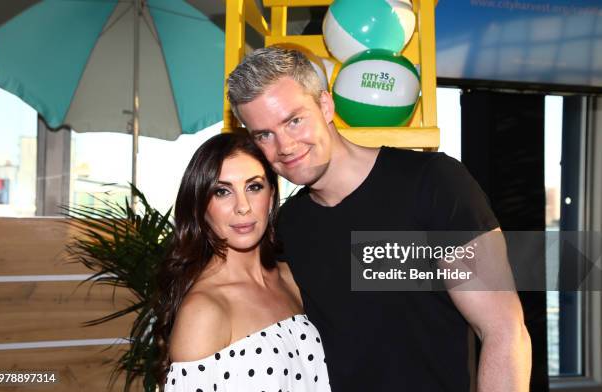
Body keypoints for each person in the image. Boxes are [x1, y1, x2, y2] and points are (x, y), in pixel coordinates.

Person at [227, 46, 532, 391]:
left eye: (294, 120)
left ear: (325, 106)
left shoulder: (433, 183)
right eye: (263, 134)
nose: (284, 146)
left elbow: (504, 331)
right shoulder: (288, 225)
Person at [153, 133, 332, 392]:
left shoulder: (290, 277)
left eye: (254, 186)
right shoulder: (204, 312)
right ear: (200, 206)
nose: (243, 207)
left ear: (271, 197)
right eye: (222, 191)